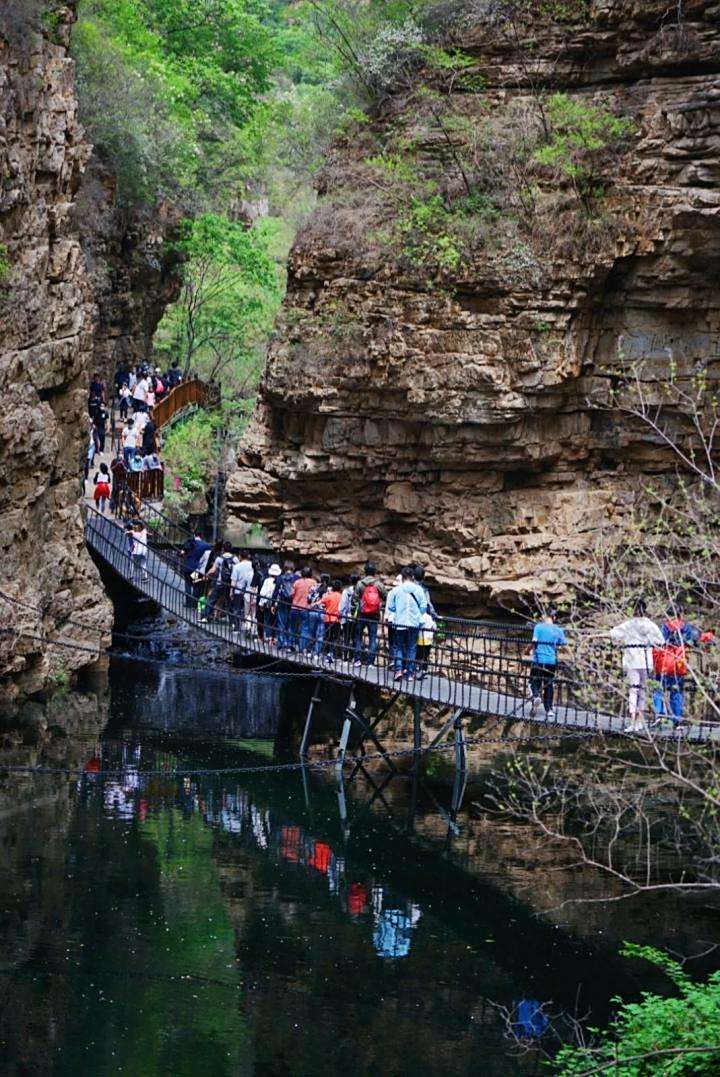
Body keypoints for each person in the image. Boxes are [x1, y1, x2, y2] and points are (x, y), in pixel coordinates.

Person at [652, 605, 713, 727]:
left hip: (663, 663)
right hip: (678, 664)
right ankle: (677, 719)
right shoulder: (687, 628)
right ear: (680, 614)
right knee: (676, 692)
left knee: (658, 689)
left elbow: (655, 642)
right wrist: (710, 635)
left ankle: (660, 714)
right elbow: (700, 637)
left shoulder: (663, 627)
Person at [610, 599, 665, 732]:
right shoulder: (650, 625)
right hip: (646, 661)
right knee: (643, 691)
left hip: (632, 661)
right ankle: (640, 720)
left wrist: (592, 636)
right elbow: (660, 641)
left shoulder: (629, 624)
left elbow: (614, 633)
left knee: (633, 690)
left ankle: (633, 720)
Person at [386, 566, 427, 680]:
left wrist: (399, 610)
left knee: (398, 647)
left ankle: (398, 670)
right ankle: (410, 673)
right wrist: (418, 612)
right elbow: (424, 606)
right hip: (414, 623)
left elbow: (391, 607)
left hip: (400, 623)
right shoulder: (418, 589)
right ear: (412, 577)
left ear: (403, 577)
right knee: (412, 647)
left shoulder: (397, 590)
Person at [526, 607, 567, 720]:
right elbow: (563, 644)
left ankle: (536, 696)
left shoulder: (538, 627)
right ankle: (549, 710)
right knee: (549, 685)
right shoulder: (558, 630)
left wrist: (526, 650)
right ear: (554, 617)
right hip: (551, 661)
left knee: (533, 681)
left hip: (538, 660)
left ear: (544, 617)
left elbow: (534, 642)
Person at [354, 562, 387, 667]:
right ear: (374, 572)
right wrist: (379, 604)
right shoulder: (378, 584)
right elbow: (386, 596)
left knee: (358, 637)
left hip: (362, 614)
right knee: (373, 638)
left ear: (365, 572)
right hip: (374, 615)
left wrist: (360, 605)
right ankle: (370, 662)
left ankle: (357, 660)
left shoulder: (360, 583)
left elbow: (355, 599)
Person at [202, 541, 237, 623]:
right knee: (230, 603)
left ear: (223, 549)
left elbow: (213, 570)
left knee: (212, 599)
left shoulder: (219, 558)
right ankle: (234, 623)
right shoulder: (235, 559)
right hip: (230, 583)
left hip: (220, 582)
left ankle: (206, 617)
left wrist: (206, 574)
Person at [272, 561, 299, 650]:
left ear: (284, 568)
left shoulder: (280, 578)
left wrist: (273, 604)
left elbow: (276, 592)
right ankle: (290, 643)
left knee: (281, 623)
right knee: (291, 624)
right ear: (293, 568)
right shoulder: (297, 578)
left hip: (282, 603)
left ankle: (281, 643)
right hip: (293, 603)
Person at [291, 566, 318, 655]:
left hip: (294, 607)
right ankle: (302, 649)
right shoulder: (313, 582)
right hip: (306, 608)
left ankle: (292, 646)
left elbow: (291, 594)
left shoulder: (297, 582)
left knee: (293, 627)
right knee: (304, 629)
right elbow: (315, 595)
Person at [181, 531, 212, 608]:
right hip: (197, 568)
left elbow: (182, 553)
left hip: (188, 566)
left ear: (194, 535)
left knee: (187, 584)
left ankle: (188, 603)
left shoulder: (189, 542)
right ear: (201, 536)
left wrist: (186, 557)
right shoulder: (205, 545)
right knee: (196, 585)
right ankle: (194, 604)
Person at [230, 549, 254, 633]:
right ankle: (249, 629)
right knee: (248, 611)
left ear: (240, 556)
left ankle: (237, 627)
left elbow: (233, 582)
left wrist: (231, 592)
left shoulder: (237, 566)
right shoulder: (252, 565)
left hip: (238, 591)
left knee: (236, 609)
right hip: (249, 591)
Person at [320, 580, 343, 663]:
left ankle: (327, 654)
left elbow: (322, 604)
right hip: (337, 620)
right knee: (335, 637)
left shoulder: (329, 596)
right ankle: (332, 654)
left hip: (328, 619)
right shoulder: (341, 596)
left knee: (328, 637)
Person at [308, 573, 331, 657]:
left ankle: (309, 651)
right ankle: (316, 654)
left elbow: (309, 598)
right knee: (320, 634)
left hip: (312, 611)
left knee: (311, 632)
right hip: (323, 613)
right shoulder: (330, 590)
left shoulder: (315, 586)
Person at [258, 563, 281, 641]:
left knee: (267, 619)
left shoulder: (267, 581)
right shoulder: (279, 582)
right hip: (277, 604)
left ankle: (268, 636)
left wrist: (261, 604)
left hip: (268, 603)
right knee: (275, 621)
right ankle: (274, 637)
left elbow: (263, 593)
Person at [339, 572, 359, 659]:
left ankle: (345, 656)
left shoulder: (346, 591)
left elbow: (342, 605)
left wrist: (340, 615)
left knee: (346, 637)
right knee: (355, 637)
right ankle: (354, 657)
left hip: (347, 617)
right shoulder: (360, 591)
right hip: (356, 618)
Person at [416, 610, 437, 679]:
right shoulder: (430, 618)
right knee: (425, 656)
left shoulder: (419, 615)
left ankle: (418, 670)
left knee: (419, 655)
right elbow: (434, 627)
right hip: (428, 640)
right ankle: (424, 670)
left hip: (420, 640)